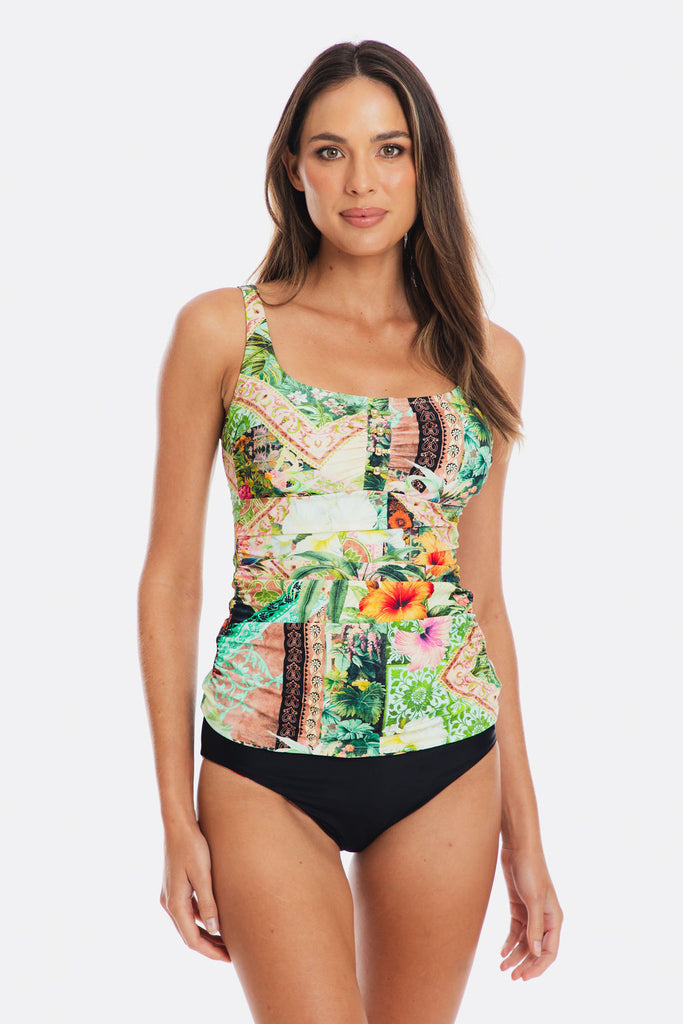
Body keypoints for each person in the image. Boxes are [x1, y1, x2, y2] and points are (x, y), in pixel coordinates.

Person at [137, 39, 563, 1024]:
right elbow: (169, 580)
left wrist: (525, 838)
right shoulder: (223, 332)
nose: (360, 181)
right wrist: (172, 818)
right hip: (263, 763)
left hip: (445, 756)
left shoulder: (485, 357)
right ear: (293, 169)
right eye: (330, 151)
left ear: (423, 167)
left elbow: (482, 600)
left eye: (389, 149)